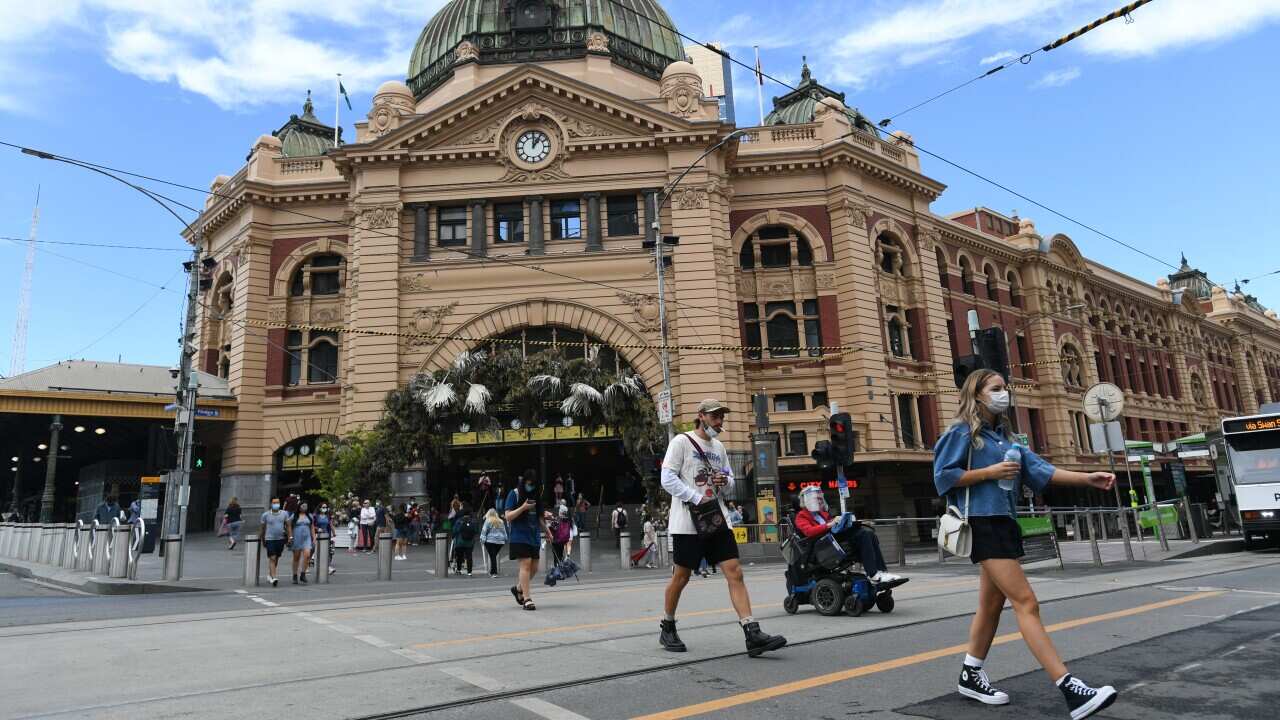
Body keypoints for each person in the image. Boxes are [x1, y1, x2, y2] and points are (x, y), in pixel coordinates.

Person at [935, 369, 1118, 718]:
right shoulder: (962, 432)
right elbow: (943, 477)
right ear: (977, 394)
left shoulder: (1007, 439)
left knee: (990, 606)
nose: (1004, 393)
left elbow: (1041, 471)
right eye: (997, 388)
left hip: (1005, 523)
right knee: (1026, 603)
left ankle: (970, 674)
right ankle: (1070, 689)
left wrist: (1088, 478)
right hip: (981, 525)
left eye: (1005, 388)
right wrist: (989, 473)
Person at [658, 399, 786, 657]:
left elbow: (728, 484)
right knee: (681, 577)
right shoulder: (681, 442)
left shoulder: (719, 447)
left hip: (717, 519)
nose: (719, 421)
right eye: (715, 417)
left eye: (721, 417)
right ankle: (668, 625)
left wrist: (724, 480)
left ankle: (751, 632)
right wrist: (695, 497)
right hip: (688, 522)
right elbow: (667, 478)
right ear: (701, 416)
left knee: (735, 571)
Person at [793, 486, 906, 585]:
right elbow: (809, 531)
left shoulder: (822, 513)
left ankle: (881, 572)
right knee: (863, 534)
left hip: (832, 542)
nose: (819, 500)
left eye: (820, 497)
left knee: (868, 532)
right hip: (822, 548)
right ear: (806, 500)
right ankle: (873, 575)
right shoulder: (801, 516)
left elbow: (832, 526)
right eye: (816, 498)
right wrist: (830, 524)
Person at [505, 470, 550, 610]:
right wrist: (523, 507)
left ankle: (518, 588)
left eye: (533, 485)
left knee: (535, 568)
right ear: (523, 482)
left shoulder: (535, 495)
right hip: (519, 535)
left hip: (533, 535)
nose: (530, 487)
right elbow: (508, 516)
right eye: (529, 484)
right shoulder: (514, 494)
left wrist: (547, 530)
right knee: (526, 564)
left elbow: (538, 517)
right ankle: (527, 599)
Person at [260, 498, 288, 587]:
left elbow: (288, 525)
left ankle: (270, 574)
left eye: (278, 502)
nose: (276, 504)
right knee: (272, 557)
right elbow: (263, 528)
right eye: (274, 502)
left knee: (276, 558)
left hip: (280, 539)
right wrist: (262, 539)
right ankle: (274, 577)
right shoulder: (265, 515)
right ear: (271, 503)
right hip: (270, 539)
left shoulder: (284, 513)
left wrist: (290, 536)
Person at [287, 501, 316, 584]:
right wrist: (290, 536)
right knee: (296, 557)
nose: (304, 507)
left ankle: (303, 574)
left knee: (307, 555)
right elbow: (288, 525)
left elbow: (312, 527)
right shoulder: (294, 515)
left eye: (306, 506)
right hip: (297, 538)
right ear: (299, 507)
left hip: (307, 538)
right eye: (303, 506)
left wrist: (314, 538)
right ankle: (295, 575)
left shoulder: (309, 516)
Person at [451, 503, 478, 576]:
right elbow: (476, 531)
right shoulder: (473, 521)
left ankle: (459, 570)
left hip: (460, 542)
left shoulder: (459, 521)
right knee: (469, 557)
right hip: (470, 542)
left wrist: (453, 537)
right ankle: (469, 572)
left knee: (459, 556)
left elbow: (455, 530)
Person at [480, 508, 507, 578]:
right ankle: (493, 571)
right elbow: (504, 531)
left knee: (493, 556)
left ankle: (494, 573)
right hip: (500, 542)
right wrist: (505, 539)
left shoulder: (488, 521)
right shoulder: (501, 521)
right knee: (493, 555)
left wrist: (482, 540)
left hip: (490, 541)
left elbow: (484, 531)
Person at [315, 503, 336, 574]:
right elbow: (312, 526)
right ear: (320, 508)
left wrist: (334, 532)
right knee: (319, 552)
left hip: (326, 536)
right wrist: (318, 528)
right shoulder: (316, 516)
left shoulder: (328, 516)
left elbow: (330, 524)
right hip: (318, 536)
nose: (325, 508)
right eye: (323, 507)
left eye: (326, 507)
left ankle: (328, 568)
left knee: (327, 552)